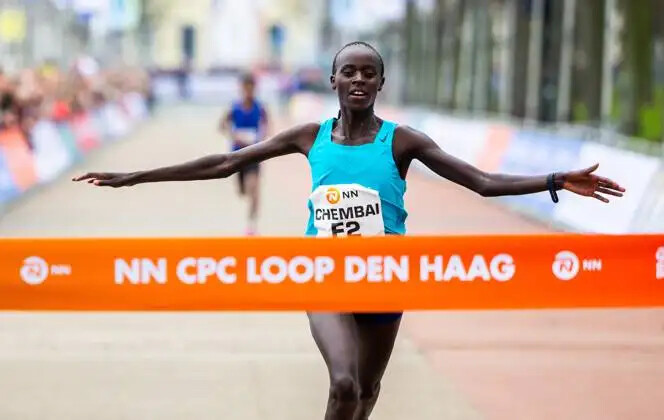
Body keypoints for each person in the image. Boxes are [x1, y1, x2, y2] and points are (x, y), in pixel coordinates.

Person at [73, 41, 625, 419]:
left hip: (386, 277)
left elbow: (480, 181)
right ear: (334, 79)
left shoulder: (403, 141)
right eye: (350, 72)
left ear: (380, 82)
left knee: (365, 393)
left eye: (368, 73)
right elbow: (226, 162)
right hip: (325, 274)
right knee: (342, 385)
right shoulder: (308, 136)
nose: (358, 79)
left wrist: (555, 179)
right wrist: (135, 177)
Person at [219, 73, 269, 235]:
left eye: (251, 88)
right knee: (243, 191)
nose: (248, 91)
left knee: (254, 191)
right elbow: (222, 125)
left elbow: (267, 125)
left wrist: (261, 138)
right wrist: (234, 135)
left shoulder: (260, 108)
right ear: (241, 88)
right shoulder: (234, 107)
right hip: (237, 155)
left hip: (254, 153)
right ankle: (245, 191)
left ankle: (251, 227)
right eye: (246, 88)